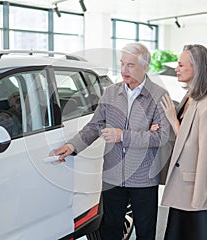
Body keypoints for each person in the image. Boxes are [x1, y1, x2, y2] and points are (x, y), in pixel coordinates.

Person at [54, 42, 173, 240]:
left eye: (131, 65)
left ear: (145, 67)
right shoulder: (110, 92)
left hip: (143, 178)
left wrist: (123, 135)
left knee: (145, 231)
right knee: (110, 229)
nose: (124, 70)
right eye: (122, 64)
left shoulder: (159, 96)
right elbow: (95, 125)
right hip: (113, 175)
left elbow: (161, 137)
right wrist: (72, 146)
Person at [160, 44, 207, 240]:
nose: (177, 68)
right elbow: (187, 137)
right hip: (183, 187)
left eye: (182, 65)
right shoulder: (191, 97)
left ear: (198, 68)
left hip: (196, 191)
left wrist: (199, 198)